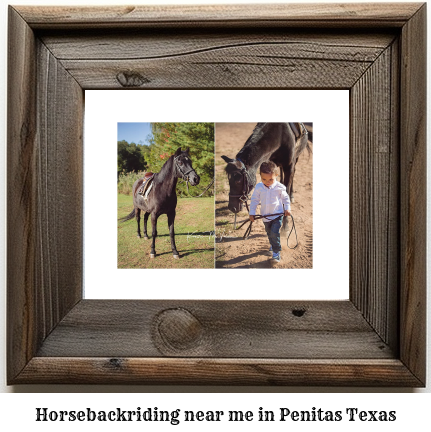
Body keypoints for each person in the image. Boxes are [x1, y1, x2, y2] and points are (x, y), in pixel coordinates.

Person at [249, 161, 291, 263]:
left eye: (271, 179)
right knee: (269, 233)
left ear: (276, 175)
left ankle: (276, 252)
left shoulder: (280, 187)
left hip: (277, 215)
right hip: (265, 216)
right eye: (264, 179)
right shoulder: (259, 187)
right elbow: (254, 200)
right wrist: (252, 212)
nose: (267, 182)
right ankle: (273, 245)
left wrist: (287, 208)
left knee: (274, 233)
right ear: (260, 176)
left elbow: (285, 199)